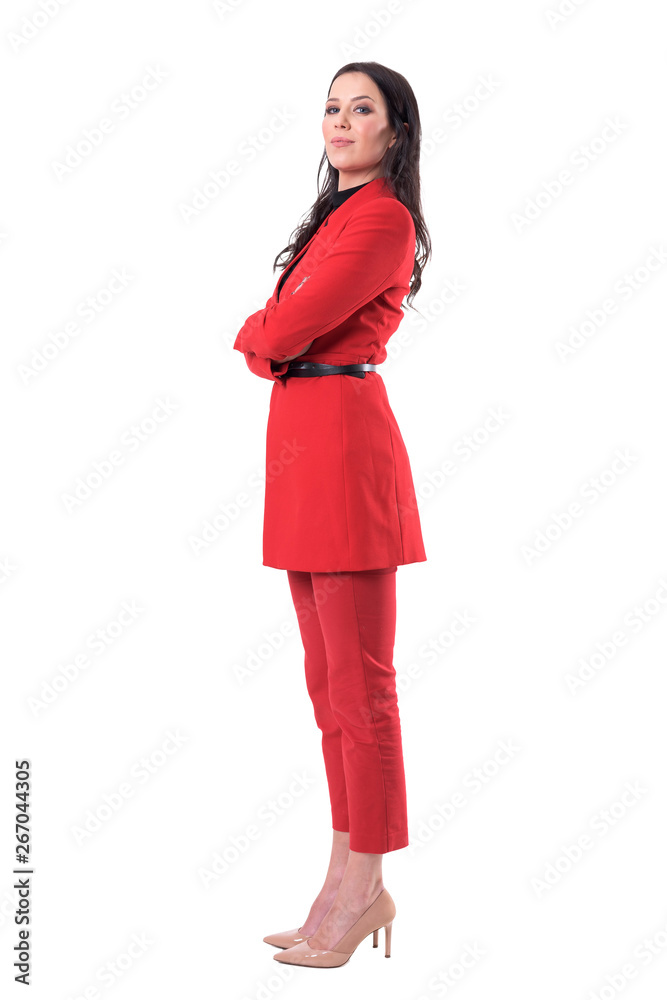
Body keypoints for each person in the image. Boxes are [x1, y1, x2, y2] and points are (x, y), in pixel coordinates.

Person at [233, 60, 431, 969]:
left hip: (344, 456)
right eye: (331, 107)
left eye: (363, 109)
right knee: (327, 690)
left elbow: (277, 330)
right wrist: (276, 333)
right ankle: (340, 873)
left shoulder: (383, 219)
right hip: (305, 449)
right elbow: (286, 328)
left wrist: (263, 334)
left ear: (395, 131)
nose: (342, 121)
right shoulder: (338, 217)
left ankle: (364, 886)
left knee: (362, 688)